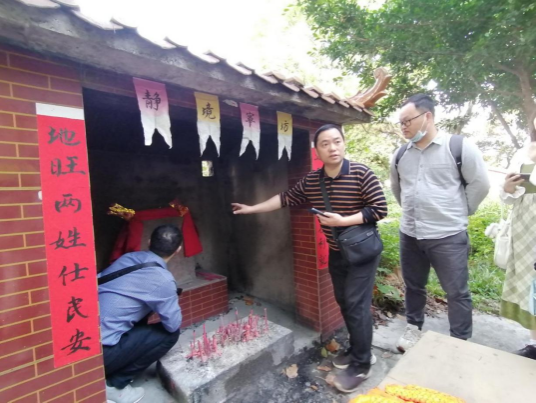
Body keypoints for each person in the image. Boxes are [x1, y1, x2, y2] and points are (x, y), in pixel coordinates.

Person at [232, 124, 387, 393]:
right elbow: (285, 198)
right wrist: (251, 208)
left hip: (362, 254)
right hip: (338, 252)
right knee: (344, 302)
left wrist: (342, 221)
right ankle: (357, 349)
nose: (332, 148)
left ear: (344, 143)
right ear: (317, 150)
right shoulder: (313, 181)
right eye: (325, 144)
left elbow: (379, 209)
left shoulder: (361, 172)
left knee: (356, 305)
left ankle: (362, 364)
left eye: (337, 141)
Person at [390, 94, 490, 352]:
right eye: (400, 123)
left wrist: (459, 211)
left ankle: (459, 343)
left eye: (407, 121)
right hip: (410, 234)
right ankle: (413, 329)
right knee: (414, 286)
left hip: (448, 235)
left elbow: (480, 184)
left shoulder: (458, 147)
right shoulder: (400, 155)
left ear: (428, 116)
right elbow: (398, 189)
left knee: (456, 292)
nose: (403, 127)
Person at [99, 224, 183, 403]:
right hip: (100, 355)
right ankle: (115, 386)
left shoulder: (128, 258)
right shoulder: (163, 280)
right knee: (170, 335)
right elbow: (172, 324)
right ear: (178, 250)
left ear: (149, 241)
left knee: (140, 310)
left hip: (81, 338)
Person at [499, 138, 536, 360]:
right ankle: (534, 343)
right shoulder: (523, 152)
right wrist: (508, 188)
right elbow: (508, 198)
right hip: (525, 228)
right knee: (530, 284)